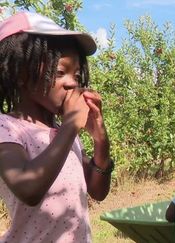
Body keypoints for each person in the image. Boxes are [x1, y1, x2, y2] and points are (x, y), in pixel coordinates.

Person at [0, 12, 113, 242]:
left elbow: (97, 191)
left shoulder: (60, 131)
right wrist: (71, 126)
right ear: (21, 74)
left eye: (78, 74)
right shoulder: (7, 128)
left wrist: (101, 143)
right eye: (60, 72)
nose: (73, 82)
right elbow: (28, 188)